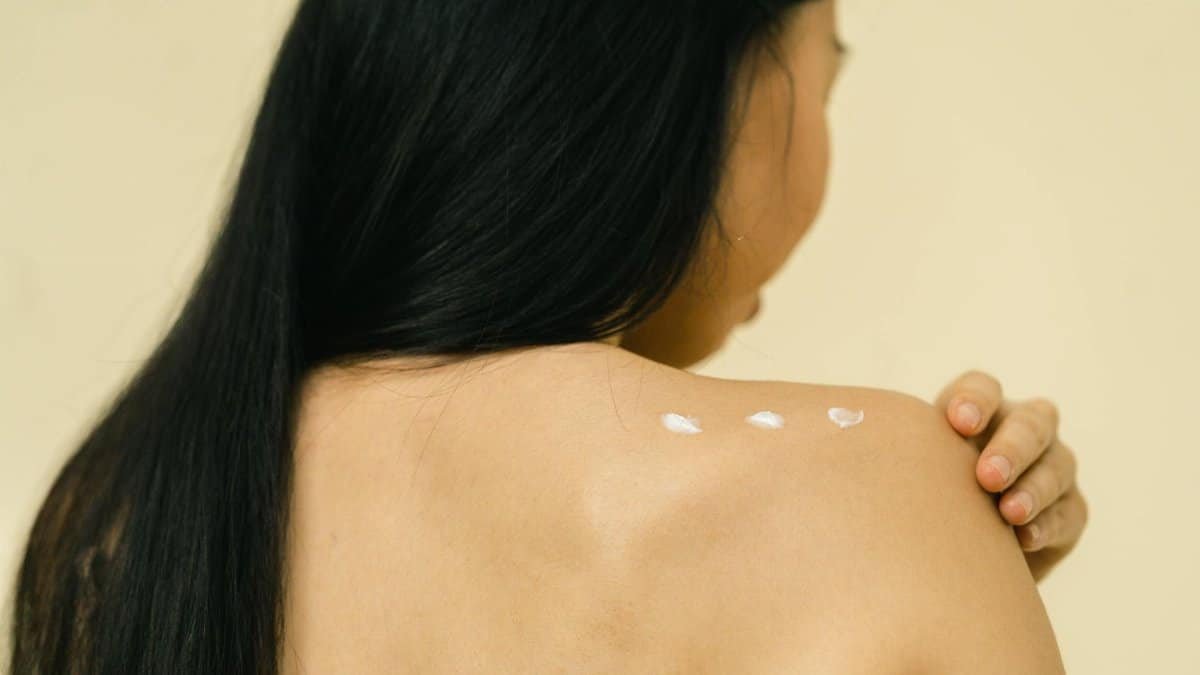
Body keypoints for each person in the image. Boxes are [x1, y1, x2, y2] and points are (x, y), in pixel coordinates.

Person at [10, 0, 1088, 673]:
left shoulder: (119, 521)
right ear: (700, 78)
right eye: (824, 76)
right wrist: (932, 552)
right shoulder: (883, 499)